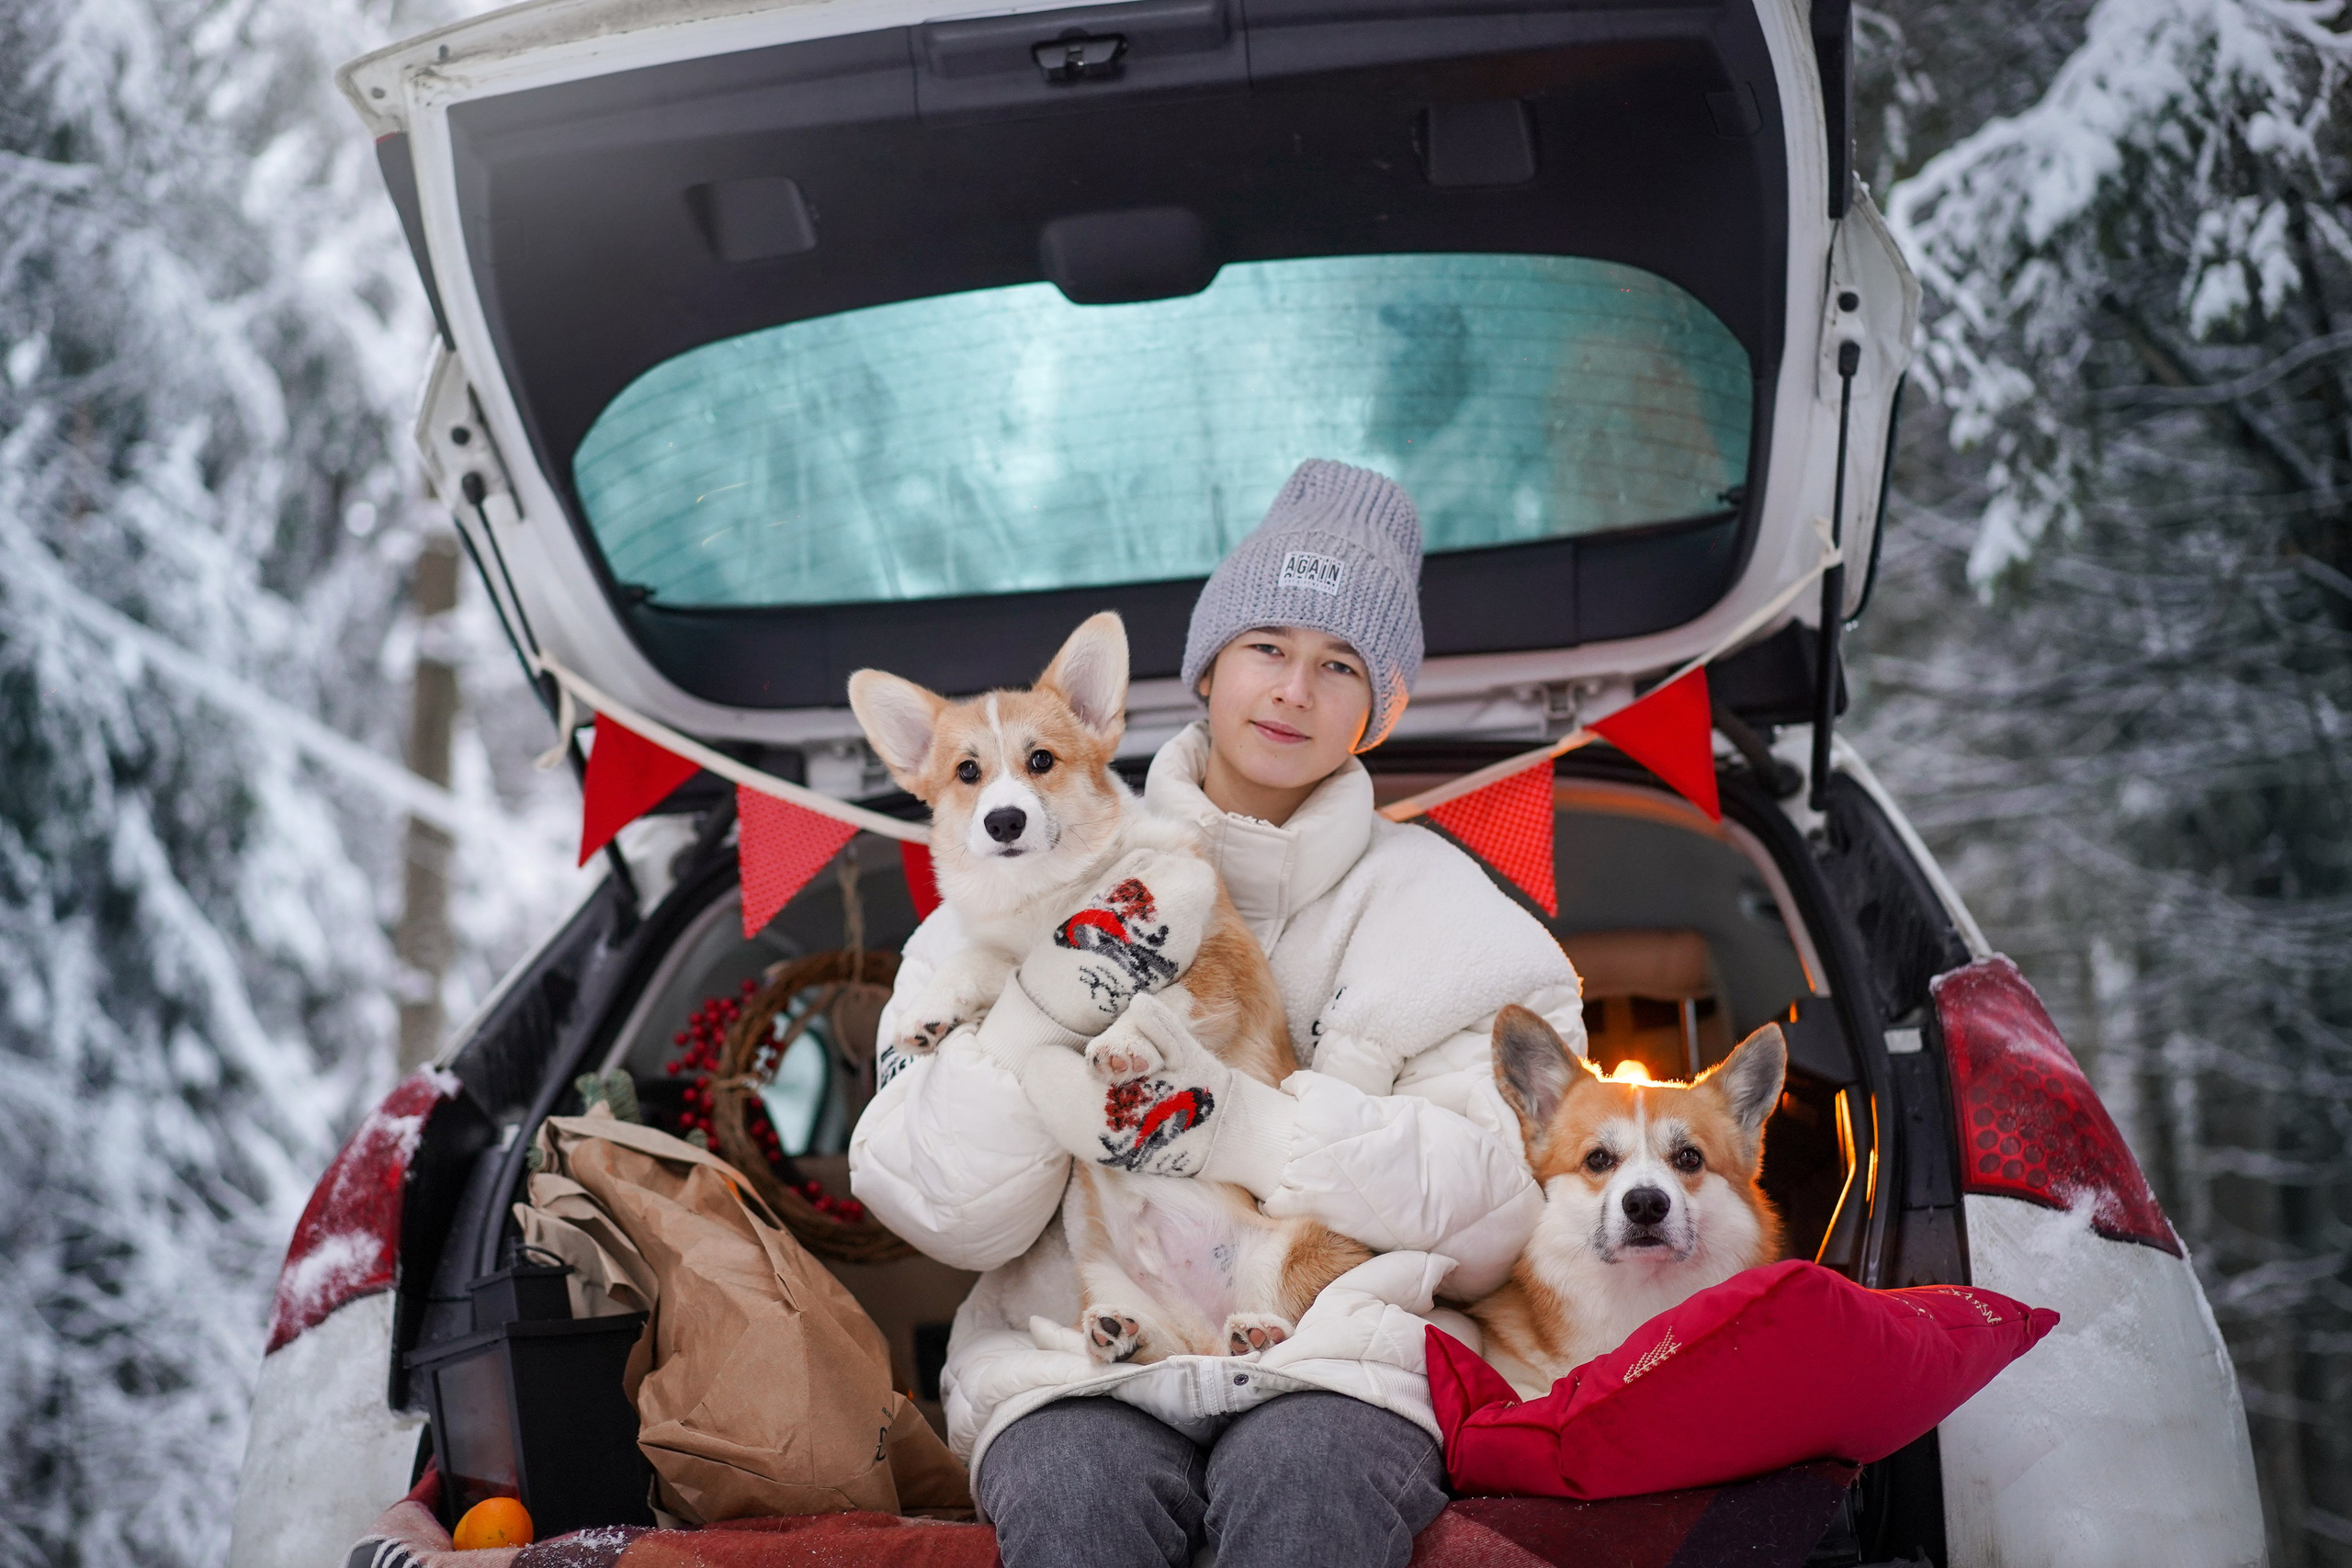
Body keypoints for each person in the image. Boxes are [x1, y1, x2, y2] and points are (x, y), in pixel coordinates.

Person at [850, 459, 1588, 1568]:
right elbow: (945, 1215)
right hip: (1074, 1353)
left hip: (1338, 1348)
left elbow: (1502, 1213)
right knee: (1074, 1493)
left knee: (1305, 1481)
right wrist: (1032, 1023)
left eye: (1339, 665)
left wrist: (1255, 1132)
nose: (1293, 690)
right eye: (1266, 648)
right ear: (1206, 669)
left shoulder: (1458, 923)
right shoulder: (976, 920)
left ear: (1377, 709)